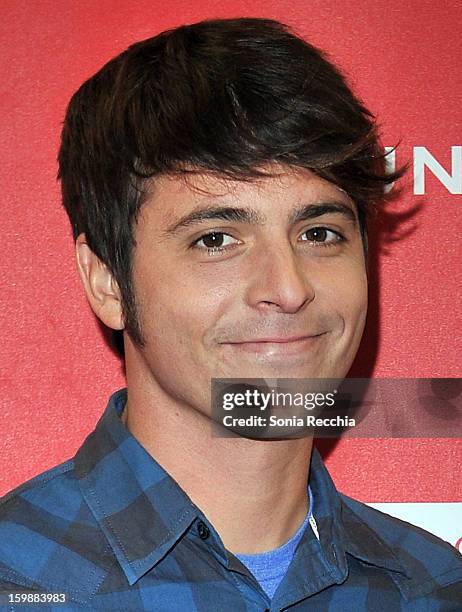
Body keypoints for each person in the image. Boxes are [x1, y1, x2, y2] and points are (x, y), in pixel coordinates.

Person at [0, 17, 460, 611]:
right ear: (107, 279)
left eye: (319, 232)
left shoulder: (433, 587)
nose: (288, 288)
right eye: (216, 239)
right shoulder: (17, 580)